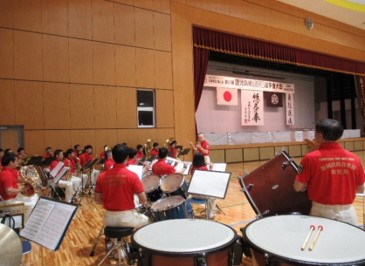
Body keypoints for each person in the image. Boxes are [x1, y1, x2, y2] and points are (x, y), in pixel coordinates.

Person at [294, 119, 365, 225]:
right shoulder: (354, 158)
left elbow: (297, 187)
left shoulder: (310, 158)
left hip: (321, 213)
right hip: (348, 213)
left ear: (320, 135)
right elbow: (360, 188)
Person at [94, 144, 149, 229]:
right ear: (127, 157)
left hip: (108, 219)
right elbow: (143, 199)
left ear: (112, 157)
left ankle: (113, 240)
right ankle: (130, 240)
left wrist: (110, 203)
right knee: (147, 220)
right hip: (126, 218)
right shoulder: (132, 176)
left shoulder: (101, 176)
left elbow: (97, 199)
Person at [189, 153, 216, 219]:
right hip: (201, 194)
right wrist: (211, 168)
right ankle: (210, 213)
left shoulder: (192, 168)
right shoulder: (204, 168)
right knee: (213, 195)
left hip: (193, 193)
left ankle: (210, 212)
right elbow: (208, 177)